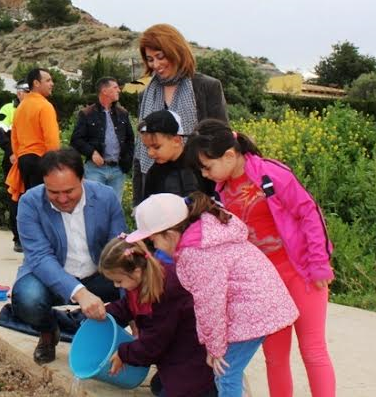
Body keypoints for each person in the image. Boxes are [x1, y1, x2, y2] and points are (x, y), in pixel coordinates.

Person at [188, 119, 336, 397]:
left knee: (313, 350)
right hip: (266, 287)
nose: (205, 174)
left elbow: (309, 212)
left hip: (300, 273)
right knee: (275, 358)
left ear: (230, 155)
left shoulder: (271, 174)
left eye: (207, 166)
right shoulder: (221, 190)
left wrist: (318, 264)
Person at [127, 193, 298, 397]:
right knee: (226, 371)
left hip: (255, 310)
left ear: (170, 234)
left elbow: (210, 305)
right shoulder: (204, 233)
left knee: (226, 373)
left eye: (153, 239)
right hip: (261, 305)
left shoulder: (196, 253)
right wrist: (213, 345)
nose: (154, 245)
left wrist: (215, 348)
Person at [11, 148, 126, 365]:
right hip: (52, 276)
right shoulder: (30, 203)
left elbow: (118, 248)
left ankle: (108, 339)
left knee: (134, 289)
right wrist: (80, 294)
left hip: (99, 274)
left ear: (82, 179)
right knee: (27, 297)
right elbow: (39, 257)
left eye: (69, 191)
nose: (62, 199)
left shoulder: (105, 197)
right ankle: (48, 332)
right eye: (53, 192)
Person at [99, 236, 217, 397]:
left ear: (136, 271)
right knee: (158, 386)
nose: (116, 286)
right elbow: (128, 305)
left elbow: (153, 344)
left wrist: (123, 353)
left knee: (188, 387)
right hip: (172, 345)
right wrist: (104, 313)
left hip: (192, 352)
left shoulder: (166, 291)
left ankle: (216, 386)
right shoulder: (140, 280)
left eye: (118, 281)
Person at [133, 24, 228, 205]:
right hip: (157, 188)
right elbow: (141, 149)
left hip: (200, 186)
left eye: (160, 57)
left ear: (175, 51)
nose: (156, 65)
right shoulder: (145, 95)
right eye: (150, 59)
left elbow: (221, 141)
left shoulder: (207, 87)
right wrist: (139, 203)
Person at [6, 68, 60, 225]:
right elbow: (52, 139)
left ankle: (25, 236)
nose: (52, 84)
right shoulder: (45, 106)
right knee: (44, 203)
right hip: (42, 159)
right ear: (36, 83)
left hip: (23, 159)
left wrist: (18, 156)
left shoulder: (21, 107)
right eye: (48, 80)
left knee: (28, 200)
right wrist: (55, 164)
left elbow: (14, 137)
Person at [70, 76, 135, 203]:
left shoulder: (123, 113)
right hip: (95, 170)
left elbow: (130, 140)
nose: (119, 90)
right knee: (95, 206)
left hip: (118, 170)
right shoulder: (87, 113)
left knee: (115, 208)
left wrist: (127, 161)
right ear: (104, 91)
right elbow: (76, 140)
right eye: (115, 87)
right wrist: (92, 153)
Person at [0, 81, 30, 251]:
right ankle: (18, 238)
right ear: (19, 93)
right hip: (13, 161)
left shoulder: (38, 108)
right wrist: (11, 152)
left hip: (33, 161)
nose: (29, 94)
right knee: (15, 198)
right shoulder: (8, 109)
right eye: (26, 91)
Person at [138, 110, 201, 199]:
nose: (150, 153)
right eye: (147, 147)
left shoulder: (200, 166)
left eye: (156, 147)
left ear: (177, 141)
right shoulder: (153, 174)